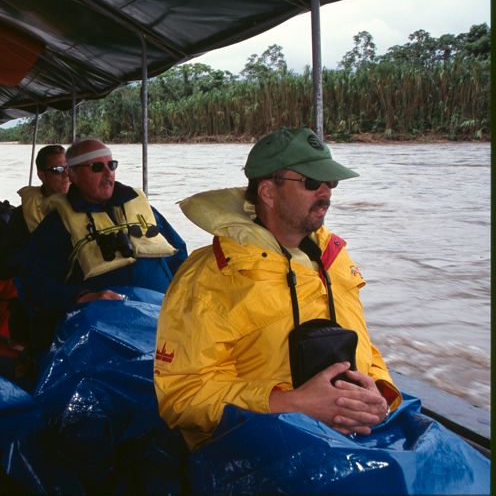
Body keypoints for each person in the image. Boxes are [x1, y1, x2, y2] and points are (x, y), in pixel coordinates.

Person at [153, 127, 401, 450]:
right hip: (260, 453)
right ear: (268, 192)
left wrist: (379, 392)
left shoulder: (334, 259)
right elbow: (182, 396)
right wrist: (289, 403)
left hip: (355, 441)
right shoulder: (210, 278)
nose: (326, 192)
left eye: (331, 182)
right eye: (312, 182)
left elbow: (365, 348)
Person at [20, 139, 187, 344]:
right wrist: (79, 297)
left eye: (112, 165)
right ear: (72, 174)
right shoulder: (57, 225)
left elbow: (179, 255)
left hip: (165, 318)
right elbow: (32, 282)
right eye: (97, 167)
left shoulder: (142, 209)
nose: (108, 174)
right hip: (108, 331)